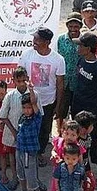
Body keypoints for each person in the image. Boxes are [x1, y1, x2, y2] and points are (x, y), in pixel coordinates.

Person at [72, 33, 97, 189]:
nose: (78, 47)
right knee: (78, 142)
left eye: (80, 45)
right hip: (77, 108)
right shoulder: (81, 60)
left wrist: (96, 111)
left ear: (88, 49)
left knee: (92, 143)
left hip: (91, 114)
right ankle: (81, 172)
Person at [19, 27, 66, 158]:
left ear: (47, 42)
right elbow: (19, 74)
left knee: (44, 129)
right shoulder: (27, 54)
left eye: (37, 39)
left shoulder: (58, 59)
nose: (34, 41)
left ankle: (39, 153)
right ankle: (25, 151)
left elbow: (60, 84)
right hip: (28, 100)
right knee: (26, 126)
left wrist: (58, 105)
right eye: (34, 38)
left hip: (48, 101)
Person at [0, 68, 34, 183]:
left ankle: (33, 180)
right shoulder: (10, 96)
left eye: (24, 80)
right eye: (18, 81)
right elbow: (3, 115)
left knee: (29, 158)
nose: (22, 84)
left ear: (27, 79)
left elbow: (38, 113)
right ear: (14, 81)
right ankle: (15, 178)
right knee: (12, 157)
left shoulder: (33, 94)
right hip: (12, 133)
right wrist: (14, 131)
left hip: (29, 134)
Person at [15, 91, 44, 191]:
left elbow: (34, 102)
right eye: (24, 107)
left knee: (30, 174)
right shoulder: (22, 118)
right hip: (20, 149)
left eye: (29, 107)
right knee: (20, 171)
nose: (26, 110)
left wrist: (31, 90)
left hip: (29, 152)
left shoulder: (36, 119)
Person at [56, 14, 82, 132]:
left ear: (80, 26)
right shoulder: (61, 39)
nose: (73, 29)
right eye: (70, 26)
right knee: (62, 109)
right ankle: (61, 131)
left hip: (79, 81)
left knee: (77, 110)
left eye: (76, 26)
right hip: (64, 80)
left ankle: (75, 133)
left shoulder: (84, 40)